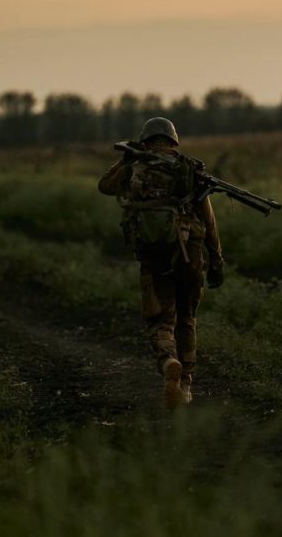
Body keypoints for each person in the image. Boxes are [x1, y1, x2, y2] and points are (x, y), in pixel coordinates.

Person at [98, 117, 224, 408]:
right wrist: (216, 258)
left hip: (154, 256)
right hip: (190, 254)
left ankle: (169, 362)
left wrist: (124, 160)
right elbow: (209, 219)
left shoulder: (133, 167)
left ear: (145, 140)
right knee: (187, 318)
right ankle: (187, 385)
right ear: (173, 141)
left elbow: (104, 186)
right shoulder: (189, 168)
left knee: (159, 320)